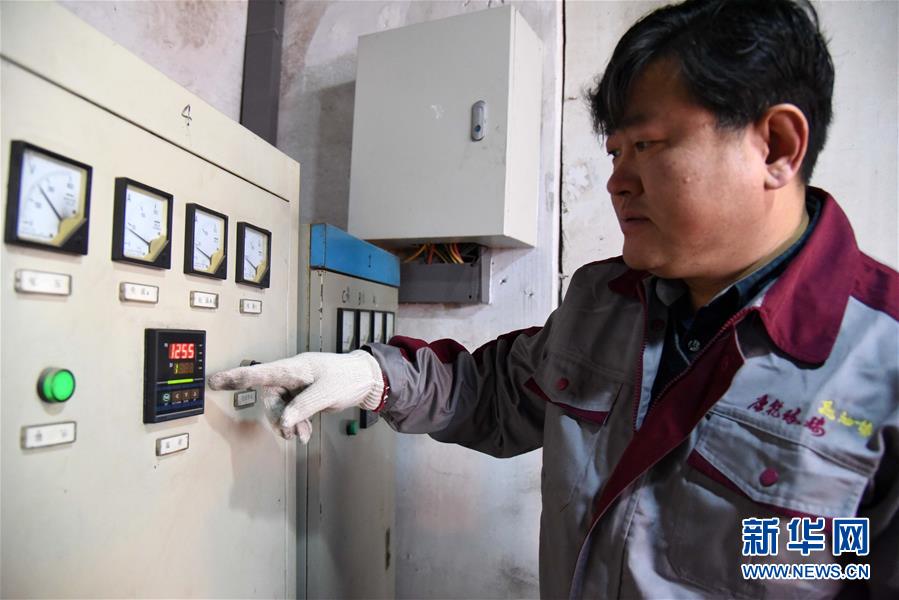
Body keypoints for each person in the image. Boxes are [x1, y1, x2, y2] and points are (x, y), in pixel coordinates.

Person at [210, 0, 899, 597]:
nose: (617, 181)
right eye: (615, 152)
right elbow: (490, 392)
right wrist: (372, 376)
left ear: (776, 145)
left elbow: (859, 564)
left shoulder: (882, 365)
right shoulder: (607, 301)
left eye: (648, 144)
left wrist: (775, 549)